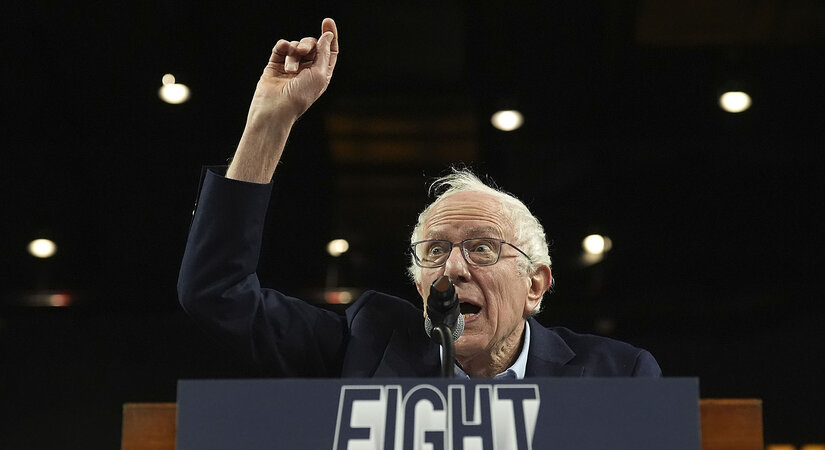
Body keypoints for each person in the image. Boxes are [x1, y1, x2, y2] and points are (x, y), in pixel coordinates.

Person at [177, 18, 661, 379]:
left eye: (482, 248)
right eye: (434, 251)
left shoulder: (618, 376)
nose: (452, 269)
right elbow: (217, 293)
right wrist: (269, 120)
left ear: (535, 284)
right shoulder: (364, 347)